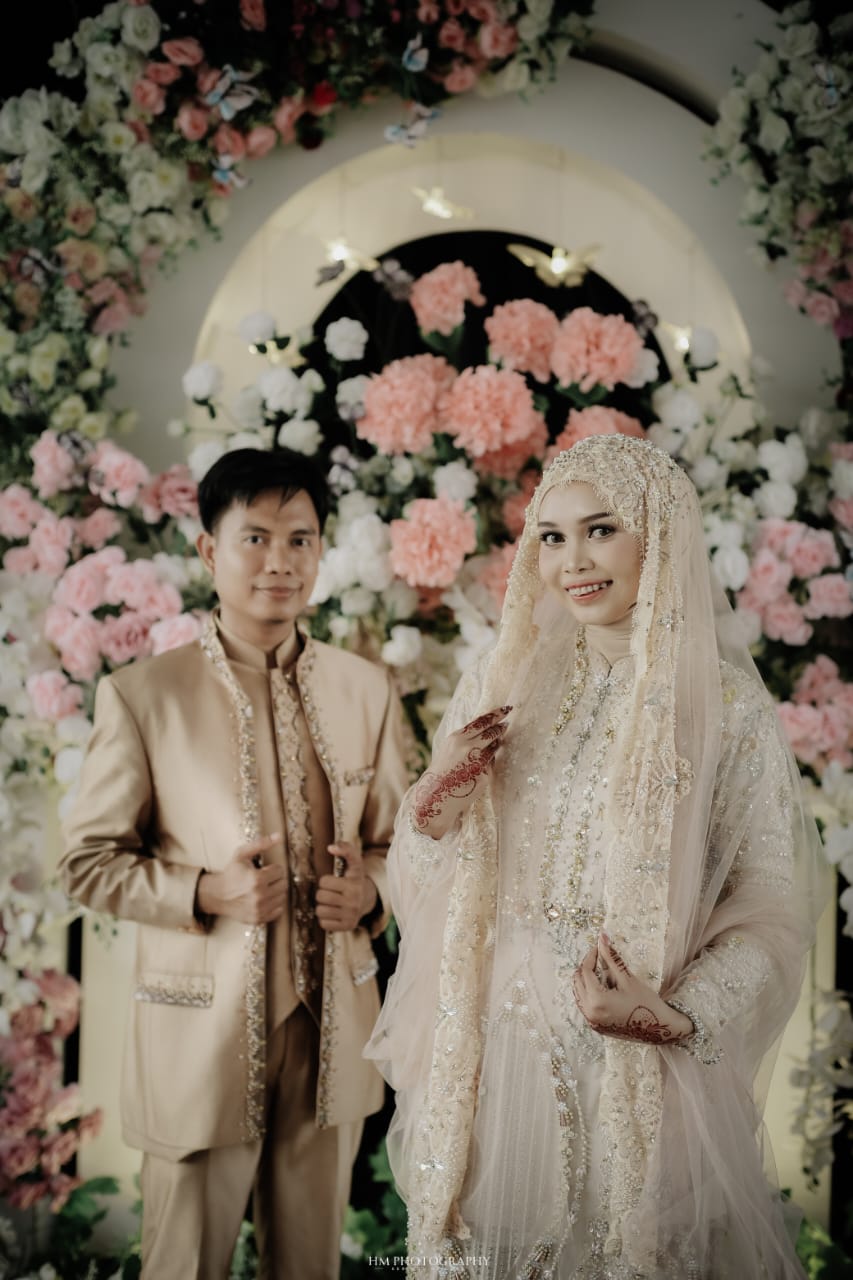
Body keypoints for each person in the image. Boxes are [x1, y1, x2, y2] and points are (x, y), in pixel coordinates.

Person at [366, 434, 827, 1279]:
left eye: (600, 530)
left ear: (659, 536)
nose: (571, 560)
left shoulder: (726, 709)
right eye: (551, 536)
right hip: (492, 1051)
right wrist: (434, 806)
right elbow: (425, 882)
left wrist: (673, 1017)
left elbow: (768, 905)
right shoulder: (501, 684)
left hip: (634, 1059)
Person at [60, 447, 410, 1280]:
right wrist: (205, 891)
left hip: (332, 1032)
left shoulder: (365, 690)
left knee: (311, 1266)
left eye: (300, 539)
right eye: (255, 538)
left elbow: (404, 846)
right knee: (183, 1264)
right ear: (208, 551)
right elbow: (87, 862)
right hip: (198, 1033)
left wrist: (371, 893)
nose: (279, 561)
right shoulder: (145, 695)